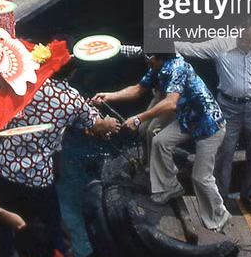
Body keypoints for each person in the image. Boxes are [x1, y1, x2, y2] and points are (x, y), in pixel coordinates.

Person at [93, 54, 229, 230]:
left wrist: (138, 118)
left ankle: (220, 216)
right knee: (160, 141)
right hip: (188, 119)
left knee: (201, 177)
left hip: (209, 125)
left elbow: (171, 104)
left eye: (150, 57)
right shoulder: (157, 68)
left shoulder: (177, 68)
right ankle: (169, 186)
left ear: (161, 58)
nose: (146, 60)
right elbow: (138, 89)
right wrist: (109, 96)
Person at [0, 74, 119, 255]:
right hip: (36, 175)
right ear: (73, 71)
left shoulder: (26, 82)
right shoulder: (72, 98)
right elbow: (98, 127)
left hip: (3, 165)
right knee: (49, 224)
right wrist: (110, 124)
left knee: (1, 224)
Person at [176, 18, 251, 207]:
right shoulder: (221, 44)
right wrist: (163, 44)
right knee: (223, 152)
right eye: (240, 37)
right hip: (228, 107)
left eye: (247, 39)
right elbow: (191, 48)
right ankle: (221, 195)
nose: (242, 42)